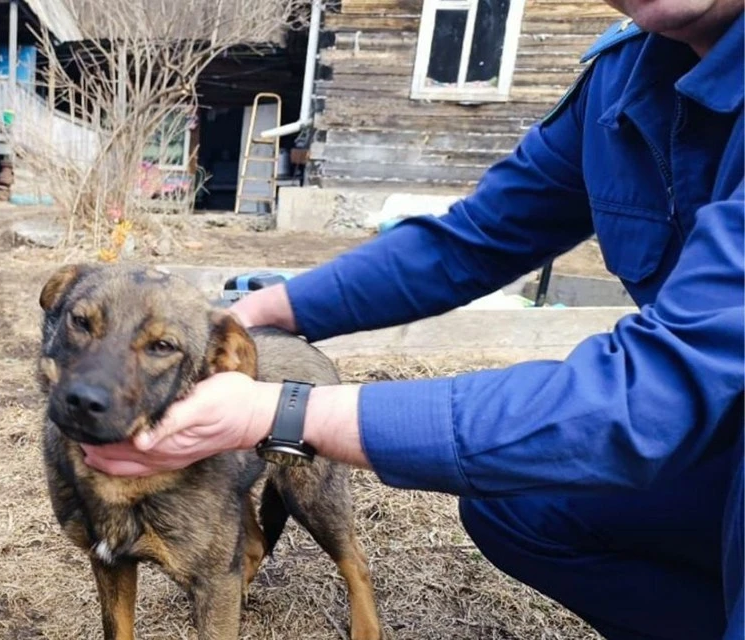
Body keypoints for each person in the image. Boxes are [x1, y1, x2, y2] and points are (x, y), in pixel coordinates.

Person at [80, 1, 744, 638]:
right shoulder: (623, 83)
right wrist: (260, 311)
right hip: (720, 439)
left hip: (702, 425)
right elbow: (470, 242)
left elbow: (647, 394)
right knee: (515, 506)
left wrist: (284, 414)